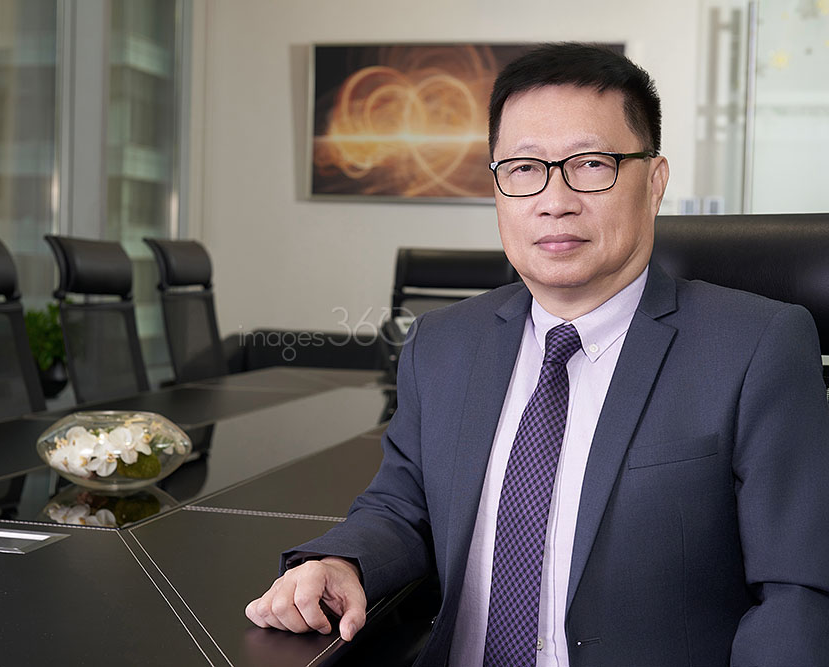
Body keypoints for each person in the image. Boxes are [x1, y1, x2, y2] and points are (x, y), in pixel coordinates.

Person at [245, 42, 829, 666]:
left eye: (591, 164)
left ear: (655, 181)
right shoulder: (442, 342)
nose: (555, 199)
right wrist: (342, 561)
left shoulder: (756, 346)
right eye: (524, 168)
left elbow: (795, 592)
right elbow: (403, 504)